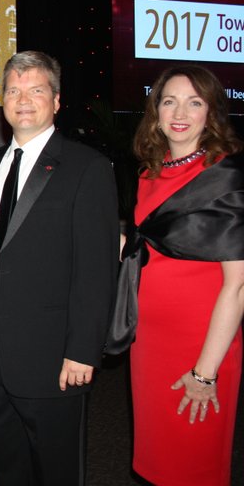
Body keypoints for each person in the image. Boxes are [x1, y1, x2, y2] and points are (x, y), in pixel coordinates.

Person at [0, 51, 118, 485]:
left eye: (36, 90)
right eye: (13, 90)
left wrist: (83, 349)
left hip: (53, 354)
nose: (23, 99)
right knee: (5, 464)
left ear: (56, 101)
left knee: (57, 470)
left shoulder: (86, 167)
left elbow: (96, 269)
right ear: (2, 101)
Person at [123, 65, 244, 486]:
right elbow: (146, 250)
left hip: (201, 346)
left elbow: (238, 285)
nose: (180, 112)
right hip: (149, 343)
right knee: (156, 465)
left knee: (194, 467)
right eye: (169, 100)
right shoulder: (148, 175)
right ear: (155, 111)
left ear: (211, 114)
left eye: (195, 102)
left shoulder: (226, 177)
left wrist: (204, 373)